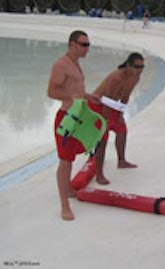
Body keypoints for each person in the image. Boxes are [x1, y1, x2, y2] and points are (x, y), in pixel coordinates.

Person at [48, 30, 98, 221]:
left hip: (78, 116)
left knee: (74, 155)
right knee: (65, 161)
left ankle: (68, 189)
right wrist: (70, 98)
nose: (87, 49)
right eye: (84, 45)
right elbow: (51, 91)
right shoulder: (61, 65)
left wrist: (88, 96)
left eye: (88, 45)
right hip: (66, 119)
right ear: (72, 44)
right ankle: (64, 206)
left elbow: (75, 90)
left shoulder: (75, 64)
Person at [89, 53, 144, 185]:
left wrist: (120, 114)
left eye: (142, 66)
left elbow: (126, 96)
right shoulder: (116, 76)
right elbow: (107, 98)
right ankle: (99, 174)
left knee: (122, 130)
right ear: (128, 66)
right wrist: (106, 120)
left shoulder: (136, 77)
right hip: (98, 105)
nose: (140, 69)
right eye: (137, 66)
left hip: (112, 105)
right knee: (103, 140)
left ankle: (121, 161)